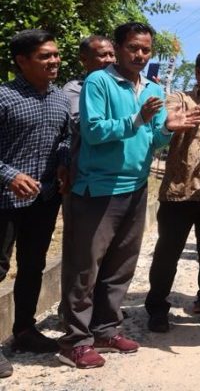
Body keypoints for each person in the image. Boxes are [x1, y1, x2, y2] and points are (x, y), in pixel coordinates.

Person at [59, 22, 200, 369]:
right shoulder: (99, 82)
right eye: (133, 48)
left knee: (121, 266)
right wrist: (138, 117)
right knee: (84, 268)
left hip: (135, 187)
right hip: (98, 189)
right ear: (119, 48)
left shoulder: (151, 86)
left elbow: (154, 141)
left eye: (146, 50)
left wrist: (166, 129)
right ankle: (75, 341)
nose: (140, 55)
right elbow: (93, 132)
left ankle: (106, 328)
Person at [0, 30, 71, 377]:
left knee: (32, 266)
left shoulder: (60, 99)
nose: (54, 61)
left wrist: (62, 162)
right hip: (3, 199)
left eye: (55, 55)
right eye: (45, 56)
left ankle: (24, 331)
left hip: (43, 200)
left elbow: (64, 139)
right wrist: (9, 174)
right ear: (22, 61)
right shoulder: (4, 97)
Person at [145, 50, 200, 332]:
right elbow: (170, 123)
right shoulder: (179, 99)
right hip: (179, 192)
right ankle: (157, 307)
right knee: (168, 253)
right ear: (198, 72)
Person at [62, 35, 116, 123]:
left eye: (112, 55)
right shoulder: (75, 88)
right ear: (84, 60)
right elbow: (80, 123)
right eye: (103, 55)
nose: (109, 60)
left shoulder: (124, 85)